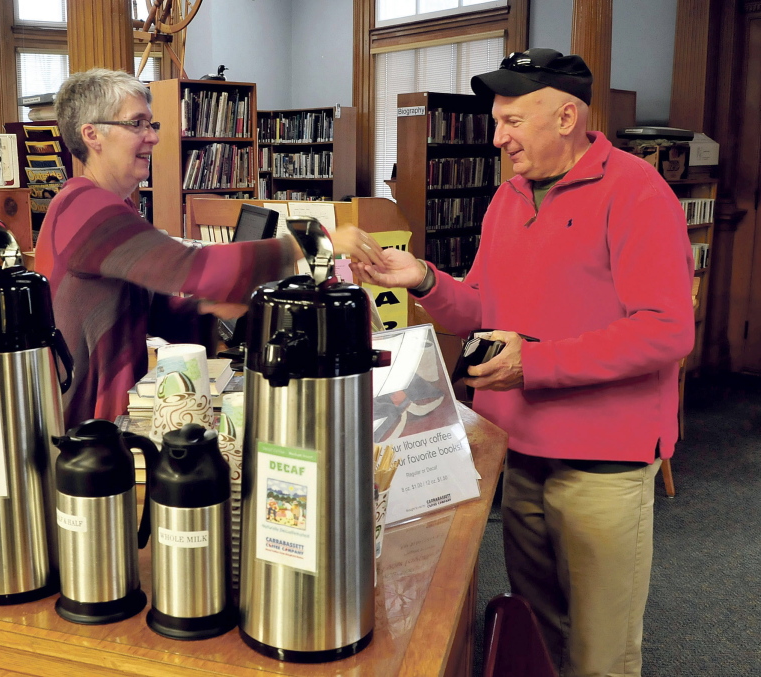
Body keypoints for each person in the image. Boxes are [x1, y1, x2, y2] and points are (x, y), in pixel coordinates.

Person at [351, 49, 695, 677]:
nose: (497, 136)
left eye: (511, 120)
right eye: (496, 120)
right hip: (520, 450)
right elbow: (483, 306)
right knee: (536, 636)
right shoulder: (508, 198)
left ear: (566, 117)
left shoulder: (638, 193)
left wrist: (533, 365)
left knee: (600, 653)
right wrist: (424, 279)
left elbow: (667, 331)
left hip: (603, 464)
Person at [34, 68, 381, 428]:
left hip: (92, 417)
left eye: (152, 125)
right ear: (92, 135)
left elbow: (149, 310)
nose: (152, 137)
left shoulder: (103, 205)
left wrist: (210, 310)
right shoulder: (85, 207)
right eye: (136, 124)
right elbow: (189, 267)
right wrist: (308, 241)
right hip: (78, 424)